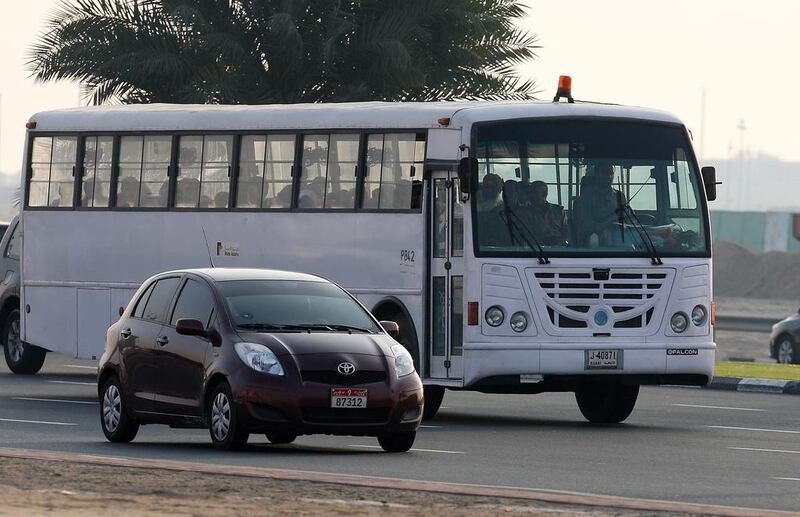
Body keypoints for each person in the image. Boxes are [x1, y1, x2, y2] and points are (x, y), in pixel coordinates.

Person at [572, 162, 627, 246]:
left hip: (620, 245)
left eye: (611, 173)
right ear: (597, 174)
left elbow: (628, 219)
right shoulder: (586, 197)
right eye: (605, 173)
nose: (609, 176)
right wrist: (604, 225)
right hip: (592, 246)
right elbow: (583, 223)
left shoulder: (619, 196)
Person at [526, 181, 568, 245]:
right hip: (537, 249)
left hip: (559, 248)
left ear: (545, 194)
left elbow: (567, 232)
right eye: (531, 193)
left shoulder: (559, 211)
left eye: (534, 193)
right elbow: (524, 235)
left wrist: (561, 243)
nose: (530, 195)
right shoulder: (524, 214)